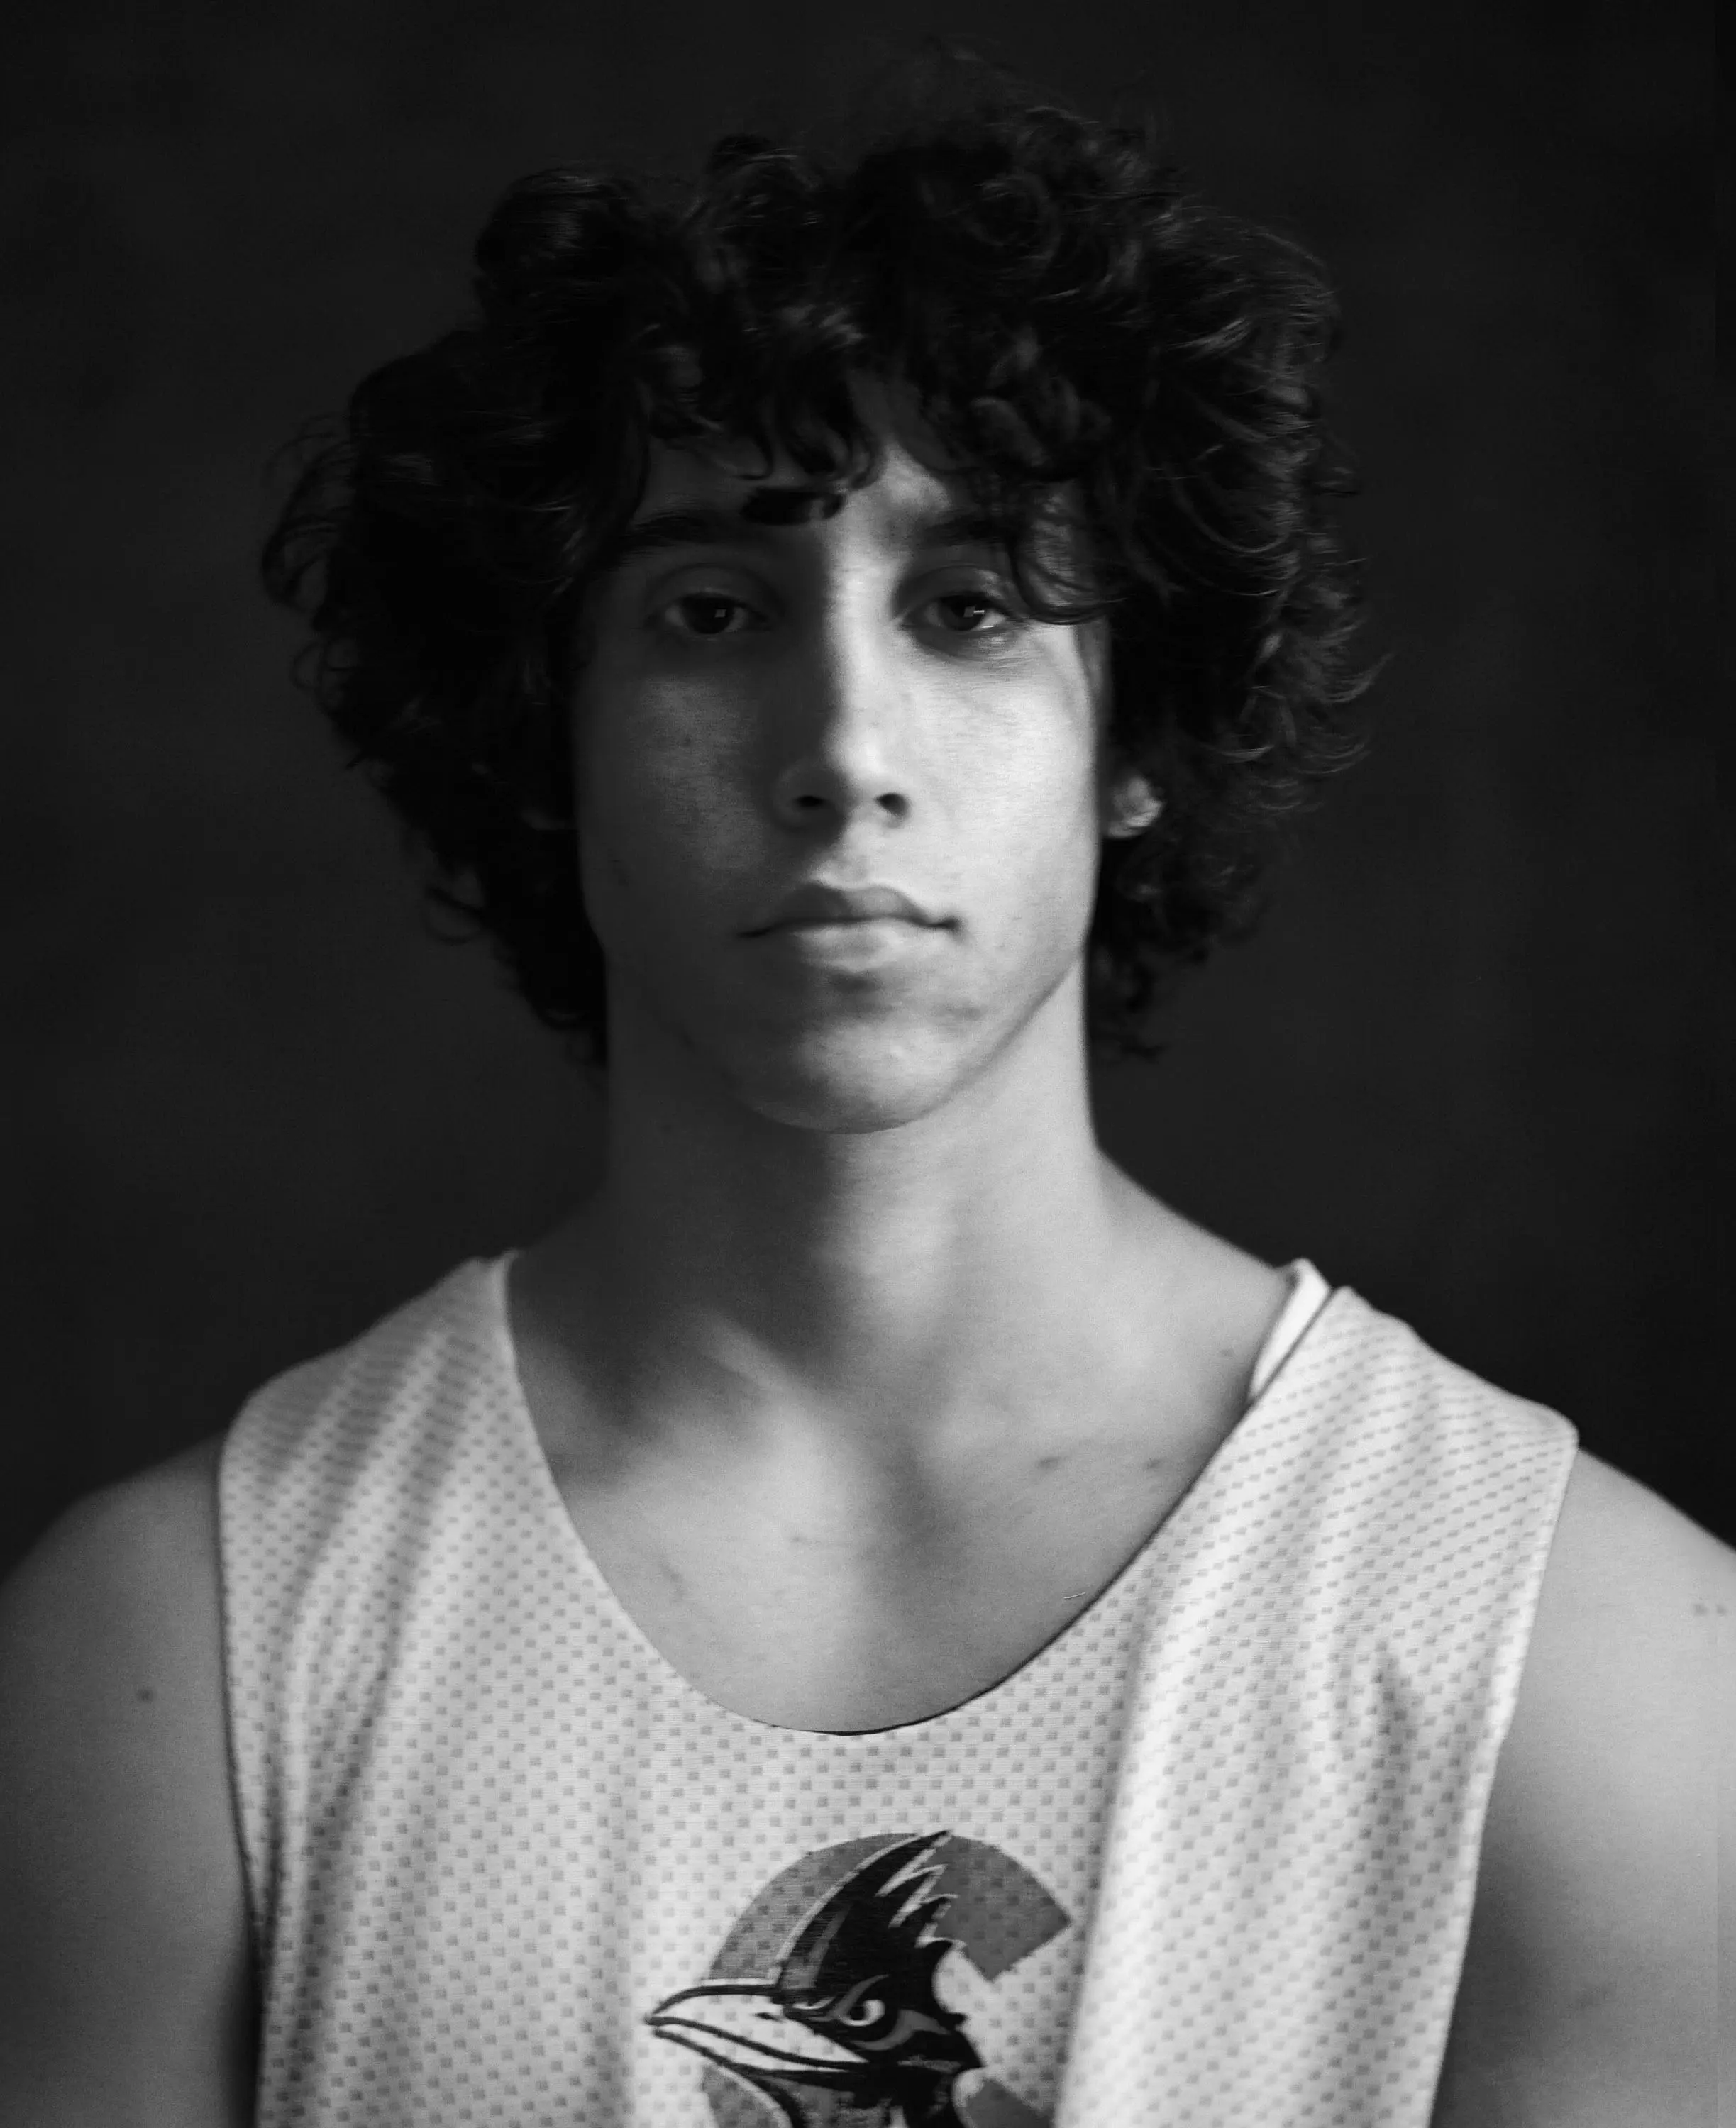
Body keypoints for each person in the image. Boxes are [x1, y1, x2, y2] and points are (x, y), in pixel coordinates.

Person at [0, 91, 1727, 2128]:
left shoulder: (1597, 1678)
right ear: (547, 737)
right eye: (712, 611)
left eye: (972, 604)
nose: (843, 747)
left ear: (1138, 737)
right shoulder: (172, 1669)